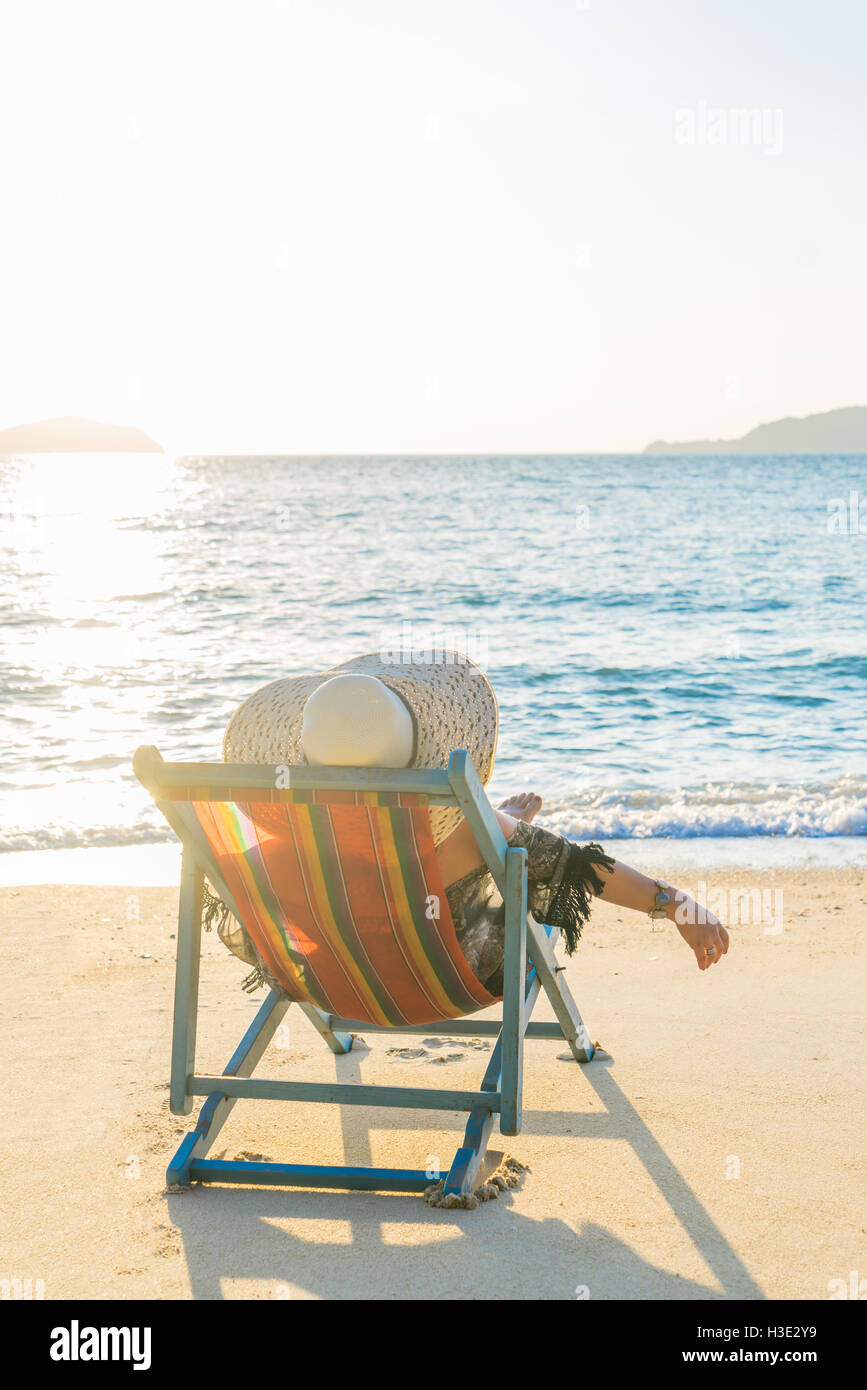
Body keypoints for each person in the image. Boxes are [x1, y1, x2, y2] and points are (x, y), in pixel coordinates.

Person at [223, 651, 729, 996]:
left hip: (330, 978)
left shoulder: (286, 836)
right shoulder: (452, 830)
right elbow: (578, 867)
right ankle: (504, 824)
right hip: (441, 984)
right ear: (418, 751)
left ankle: (505, 822)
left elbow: (235, 888)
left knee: (498, 843)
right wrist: (676, 904)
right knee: (514, 859)